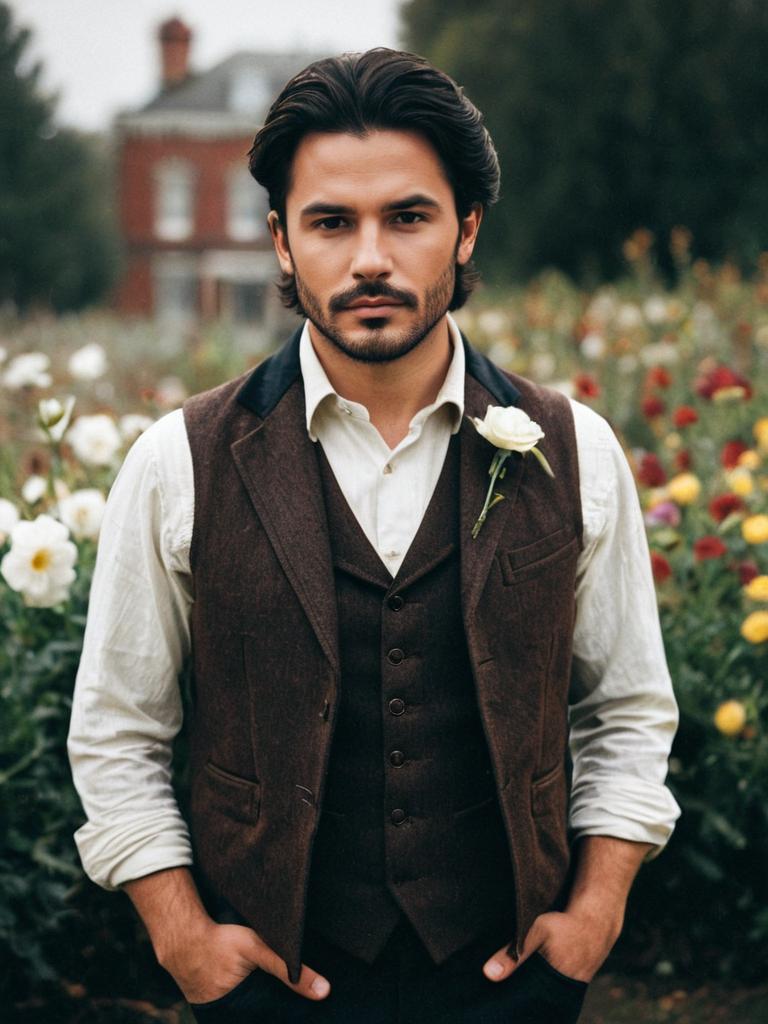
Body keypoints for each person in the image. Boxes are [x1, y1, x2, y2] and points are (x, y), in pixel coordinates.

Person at [68, 48, 680, 1023]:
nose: (369, 259)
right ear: (280, 241)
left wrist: (592, 919)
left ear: (466, 229)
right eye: (330, 222)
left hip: (510, 985)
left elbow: (628, 710)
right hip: (267, 986)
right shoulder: (177, 460)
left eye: (407, 216)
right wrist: (186, 939)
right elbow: (116, 731)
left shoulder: (577, 450)